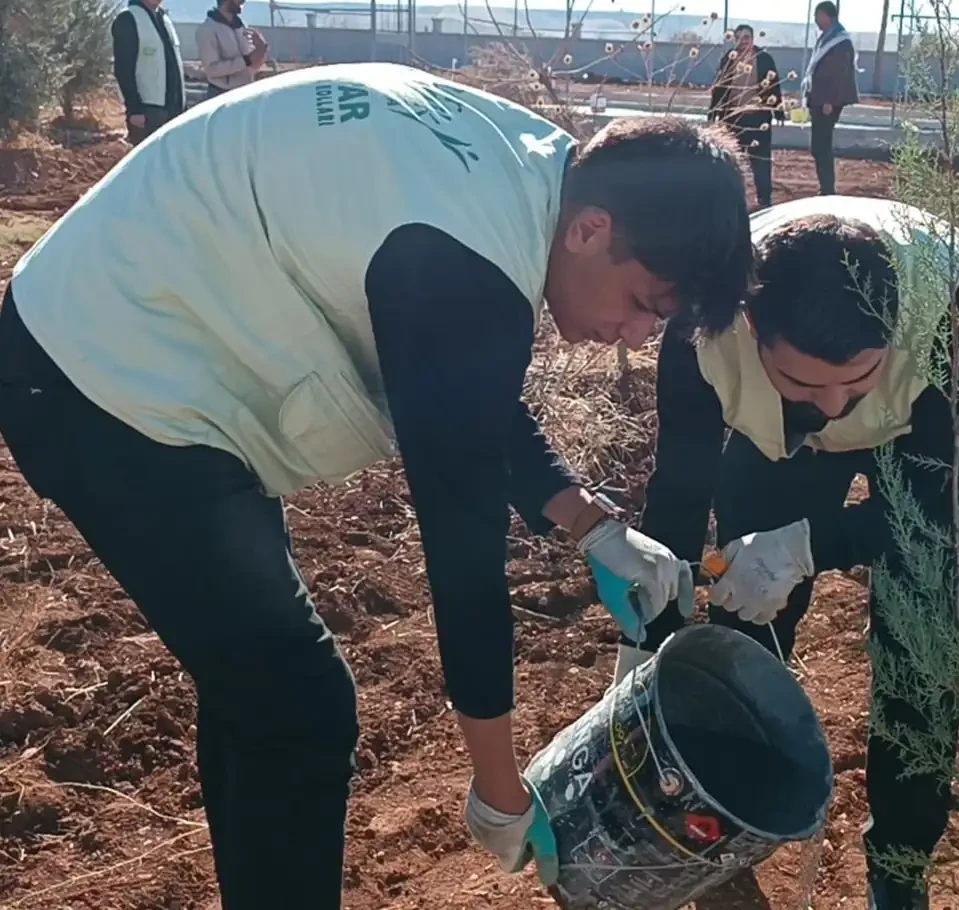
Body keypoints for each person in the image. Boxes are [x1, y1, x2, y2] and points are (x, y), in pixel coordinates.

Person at [0, 62, 752, 908]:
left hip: (155, 343)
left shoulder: (529, 171)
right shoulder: (461, 252)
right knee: (298, 704)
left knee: (260, 689)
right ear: (590, 231)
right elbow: (463, 549)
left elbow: (459, 383)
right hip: (101, 378)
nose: (639, 333)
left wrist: (590, 523)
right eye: (645, 302)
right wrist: (498, 787)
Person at [620, 196, 959, 910]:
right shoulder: (701, 333)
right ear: (751, 331)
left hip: (921, 431)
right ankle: (722, 821)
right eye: (805, 382)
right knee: (741, 621)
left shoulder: (957, 315)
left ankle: (899, 863)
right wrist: (650, 622)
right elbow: (680, 486)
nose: (831, 407)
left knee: (921, 643)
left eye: (854, 380)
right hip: (775, 445)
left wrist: (809, 544)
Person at [709, 24, 785, 209]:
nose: (743, 41)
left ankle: (764, 200)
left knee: (761, 161)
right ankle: (734, 200)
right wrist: (713, 111)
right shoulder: (729, 59)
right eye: (740, 38)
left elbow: (774, 86)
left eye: (747, 37)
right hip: (733, 119)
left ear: (753, 39)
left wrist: (778, 110)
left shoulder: (765, 59)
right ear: (734, 40)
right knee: (733, 161)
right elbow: (719, 87)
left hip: (758, 120)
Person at [801, 1, 858, 196]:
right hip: (819, 99)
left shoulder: (840, 41)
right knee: (818, 146)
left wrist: (829, 101)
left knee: (821, 145)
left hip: (827, 102)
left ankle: (827, 189)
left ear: (827, 16)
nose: (815, 20)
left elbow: (838, 74)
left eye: (818, 16)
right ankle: (825, 187)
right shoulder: (827, 37)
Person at [111, 0, 186, 144]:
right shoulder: (128, 18)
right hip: (148, 112)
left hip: (173, 110)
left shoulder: (165, 19)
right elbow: (124, 68)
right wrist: (134, 109)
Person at [195, 0, 269, 99]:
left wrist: (262, 50)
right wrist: (247, 60)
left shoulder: (241, 25)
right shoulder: (207, 29)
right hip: (222, 95)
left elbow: (251, 64)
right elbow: (212, 69)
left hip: (246, 92)